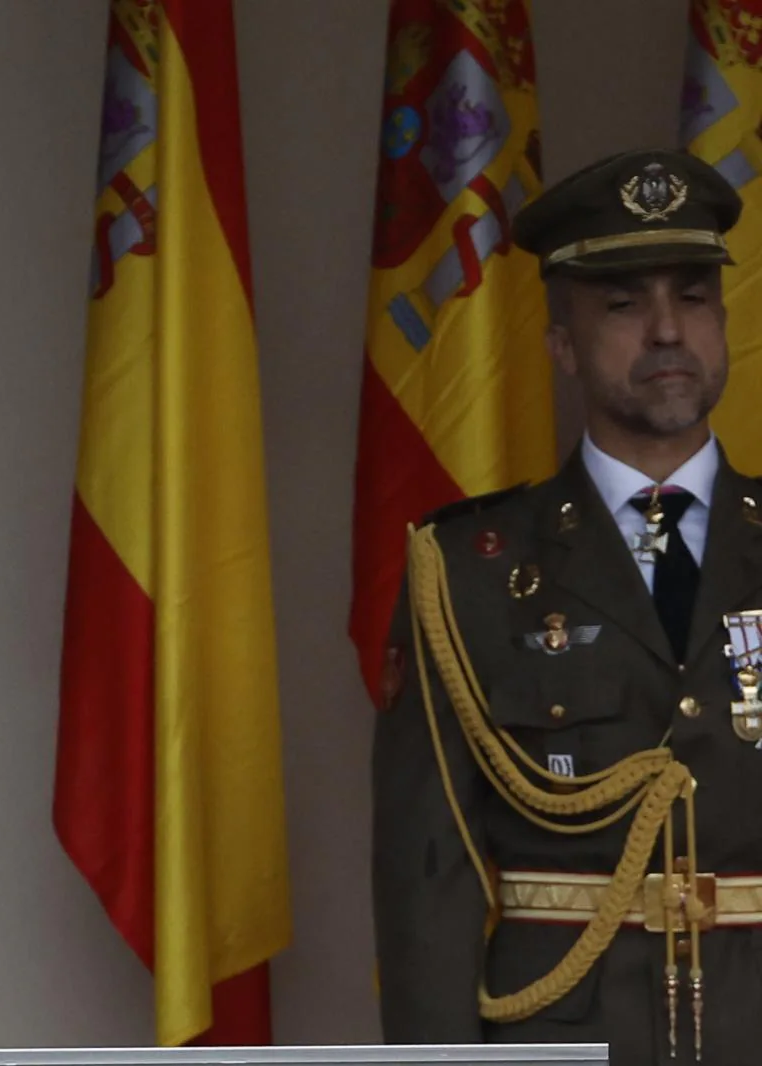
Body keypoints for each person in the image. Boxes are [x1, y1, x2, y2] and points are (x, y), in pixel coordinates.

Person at [372, 147, 762, 1066]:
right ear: (561, 345)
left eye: (694, 296)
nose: (668, 331)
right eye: (624, 304)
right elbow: (428, 879)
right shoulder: (464, 568)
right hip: (567, 1041)